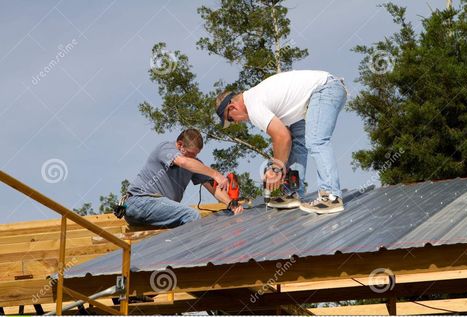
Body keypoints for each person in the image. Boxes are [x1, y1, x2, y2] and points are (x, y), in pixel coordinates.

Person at [215, 70, 347, 214]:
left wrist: (276, 168)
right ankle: (293, 193)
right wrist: (278, 166)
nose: (236, 123)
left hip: (325, 89)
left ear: (232, 107)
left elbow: (282, 137)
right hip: (311, 99)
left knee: (316, 140)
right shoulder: (256, 98)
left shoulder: (254, 106)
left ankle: (331, 196)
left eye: (231, 119)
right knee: (299, 143)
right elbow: (285, 140)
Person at [124, 129, 243, 227]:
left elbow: (214, 187)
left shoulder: (193, 163)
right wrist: (216, 174)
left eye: (196, 155)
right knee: (191, 216)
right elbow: (183, 162)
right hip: (138, 202)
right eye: (190, 153)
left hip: (155, 210)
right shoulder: (166, 148)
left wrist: (231, 204)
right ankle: (193, 255)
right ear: (180, 145)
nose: (193, 157)